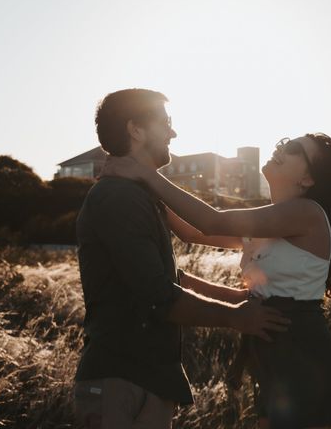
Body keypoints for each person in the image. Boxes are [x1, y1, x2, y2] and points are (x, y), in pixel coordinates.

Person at [101, 131, 331, 429]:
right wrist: (147, 193)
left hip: (305, 360)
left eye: (293, 149)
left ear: (307, 179)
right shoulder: (271, 222)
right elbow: (195, 233)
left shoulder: (307, 214)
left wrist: (145, 174)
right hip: (272, 359)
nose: (281, 148)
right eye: (284, 142)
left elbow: (211, 221)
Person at [73, 88, 290, 429]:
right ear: (136, 130)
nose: (173, 132)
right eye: (166, 122)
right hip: (121, 380)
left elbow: (184, 255)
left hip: (148, 379)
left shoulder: (141, 194)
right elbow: (160, 296)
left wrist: (239, 297)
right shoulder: (117, 197)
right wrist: (237, 317)